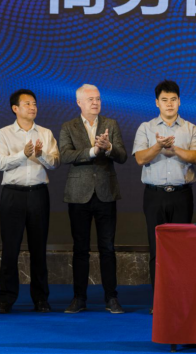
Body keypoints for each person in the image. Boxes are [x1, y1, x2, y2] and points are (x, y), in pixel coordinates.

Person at [59, 84, 127, 314]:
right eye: (90, 99)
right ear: (79, 102)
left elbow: (122, 156)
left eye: (98, 98)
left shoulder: (111, 124)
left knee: (107, 247)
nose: (95, 102)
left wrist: (108, 148)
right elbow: (65, 155)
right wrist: (92, 151)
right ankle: (79, 298)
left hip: (106, 193)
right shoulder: (68, 126)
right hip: (78, 194)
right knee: (80, 248)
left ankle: (111, 298)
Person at [133, 80, 196, 298]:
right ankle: (159, 300)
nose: (169, 104)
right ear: (157, 103)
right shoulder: (146, 128)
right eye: (164, 100)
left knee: (181, 249)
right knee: (156, 249)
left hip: (182, 196)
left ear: (179, 101)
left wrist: (174, 149)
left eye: (173, 99)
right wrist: (158, 146)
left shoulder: (191, 128)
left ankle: (179, 300)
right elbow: (140, 158)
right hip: (154, 196)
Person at [0, 90, 60, 314]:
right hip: (12, 195)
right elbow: (0, 163)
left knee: (39, 249)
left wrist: (40, 155)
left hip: (38, 194)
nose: (33, 107)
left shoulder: (46, 133)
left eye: (34, 104)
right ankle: (6, 299)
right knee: (10, 249)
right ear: (15, 108)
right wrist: (23, 154)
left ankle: (41, 299)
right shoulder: (3, 134)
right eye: (27, 104)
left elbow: (55, 163)